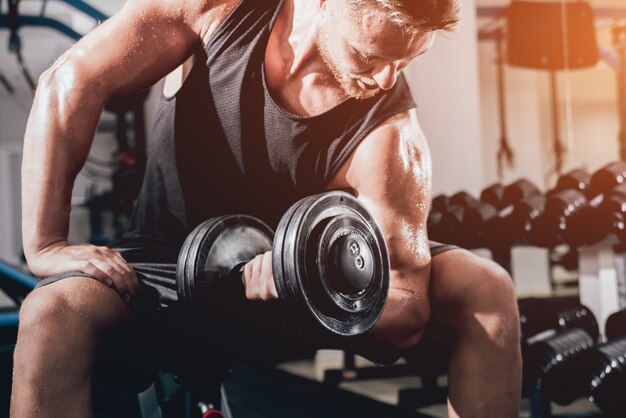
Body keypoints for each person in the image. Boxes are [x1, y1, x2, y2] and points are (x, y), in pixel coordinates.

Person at [12, 0, 522, 417]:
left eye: (405, 62)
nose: (386, 79)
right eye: (370, 56)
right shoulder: (221, 9)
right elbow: (72, 79)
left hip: (296, 289)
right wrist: (46, 244)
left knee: (484, 287)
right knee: (52, 311)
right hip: (165, 260)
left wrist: (308, 283)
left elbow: (408, 301)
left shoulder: (389, 134)